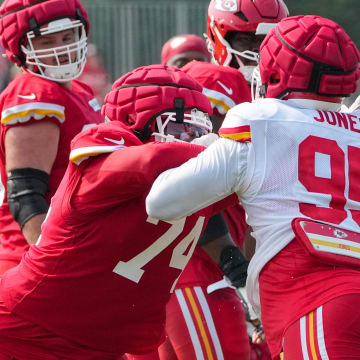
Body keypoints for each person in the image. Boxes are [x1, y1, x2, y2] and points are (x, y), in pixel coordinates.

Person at [146, 15, 360, 359]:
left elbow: (161, 201)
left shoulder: (260, 120)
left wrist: (206, 147)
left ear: (274, 72)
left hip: (314, 299)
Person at [0, 64, 235, 359]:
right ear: (132, 120)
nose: (190, 139)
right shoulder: (101, 160)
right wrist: (228, 149)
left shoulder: (191, 170)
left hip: (102, 343)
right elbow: (148, 161)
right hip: (28, 333)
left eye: (199, 130)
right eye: (179, 128)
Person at [0, 0, 104, 275]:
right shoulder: (35, 93)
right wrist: (55, 263)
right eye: (47, 41)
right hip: (37, 258)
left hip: (77, 246)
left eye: (67, 37)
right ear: (20, 47)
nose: (62, 48)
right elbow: (26, 195)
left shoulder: (80, 92)